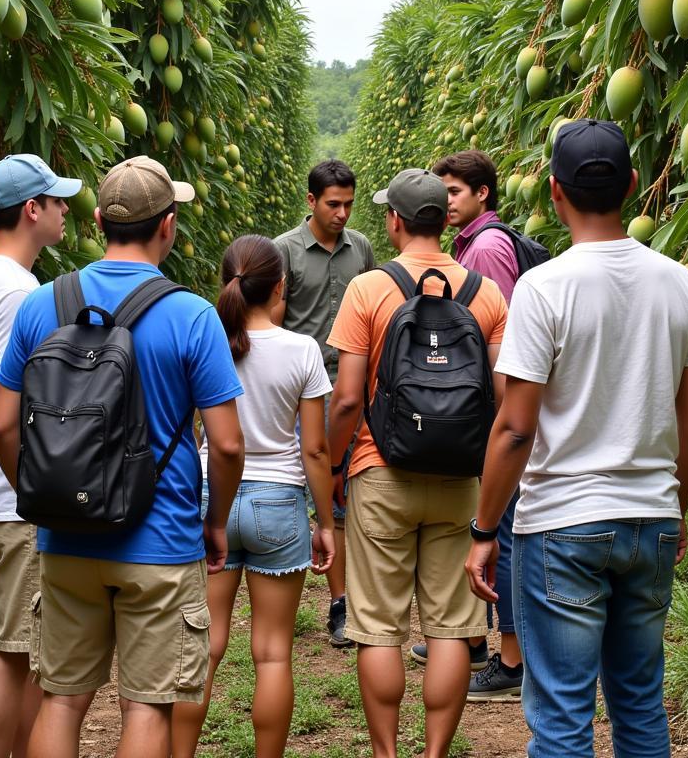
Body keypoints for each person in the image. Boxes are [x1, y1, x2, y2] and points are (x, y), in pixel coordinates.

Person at [465, 120, 688, 758]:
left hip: (563, 525)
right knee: (638, 702)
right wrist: (674, 504)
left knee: (563, 717)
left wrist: (484, 530)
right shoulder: (678, 283)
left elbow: (516, 427)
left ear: (554, 193)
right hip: (651, 516)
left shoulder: (544, 288)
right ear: (632, 186)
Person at [0, 156, 245, 758]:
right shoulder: (191, 315)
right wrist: (214, 522)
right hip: (159, 541)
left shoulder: (42, 305)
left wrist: (42, 501)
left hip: (66, 538)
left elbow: (3, 425)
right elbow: (228, 443)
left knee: (61, 698)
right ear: (168, 226)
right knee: (148, 706)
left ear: (99, 219)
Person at [326, 169, 508, 758]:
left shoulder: (369, 288)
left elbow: (349, 397)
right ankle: (434, 754)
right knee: (453, 625)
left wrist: (333, 467)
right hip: (460, 478)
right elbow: (502, 397)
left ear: (396, 221)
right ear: (443, 219)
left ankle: (386, 754)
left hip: (381, 470)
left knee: (378, 624)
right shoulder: (486, 292)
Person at [173, 235, 336, 758]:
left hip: (209, 493)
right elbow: (313, 450)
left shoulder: (206, 341)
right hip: (278, 502)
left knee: (203, 645)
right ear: (280, 287)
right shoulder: (302, 350)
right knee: (271, 654)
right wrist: (326, 521)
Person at [0, 154, 81, 758]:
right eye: (57, 202)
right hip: (14, 497)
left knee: (18, 648)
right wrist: (36, 492)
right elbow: (13, 407)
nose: (65, 211)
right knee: (21, 656)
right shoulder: (14, 291)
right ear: (32, 210)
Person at [417, 149, 523, 701]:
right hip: (482, 412)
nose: (446, 201)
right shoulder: (470, 244)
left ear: (483, 193)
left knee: (497, 528)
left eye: (454, 191)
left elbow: (500, 341)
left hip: (494, 412)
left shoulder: (486, 246)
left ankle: (508, 657)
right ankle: (476, 642)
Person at [272, 159, 375, 647]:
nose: (342, 214)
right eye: (333, 204)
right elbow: (272, 322)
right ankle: (338, 602)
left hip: (355, 390)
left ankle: (358, 598)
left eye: (349, 204)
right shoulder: (284, 253)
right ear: (310, 201)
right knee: (321, 497)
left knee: (357, 493)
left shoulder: (363, 251)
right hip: (304, 395)